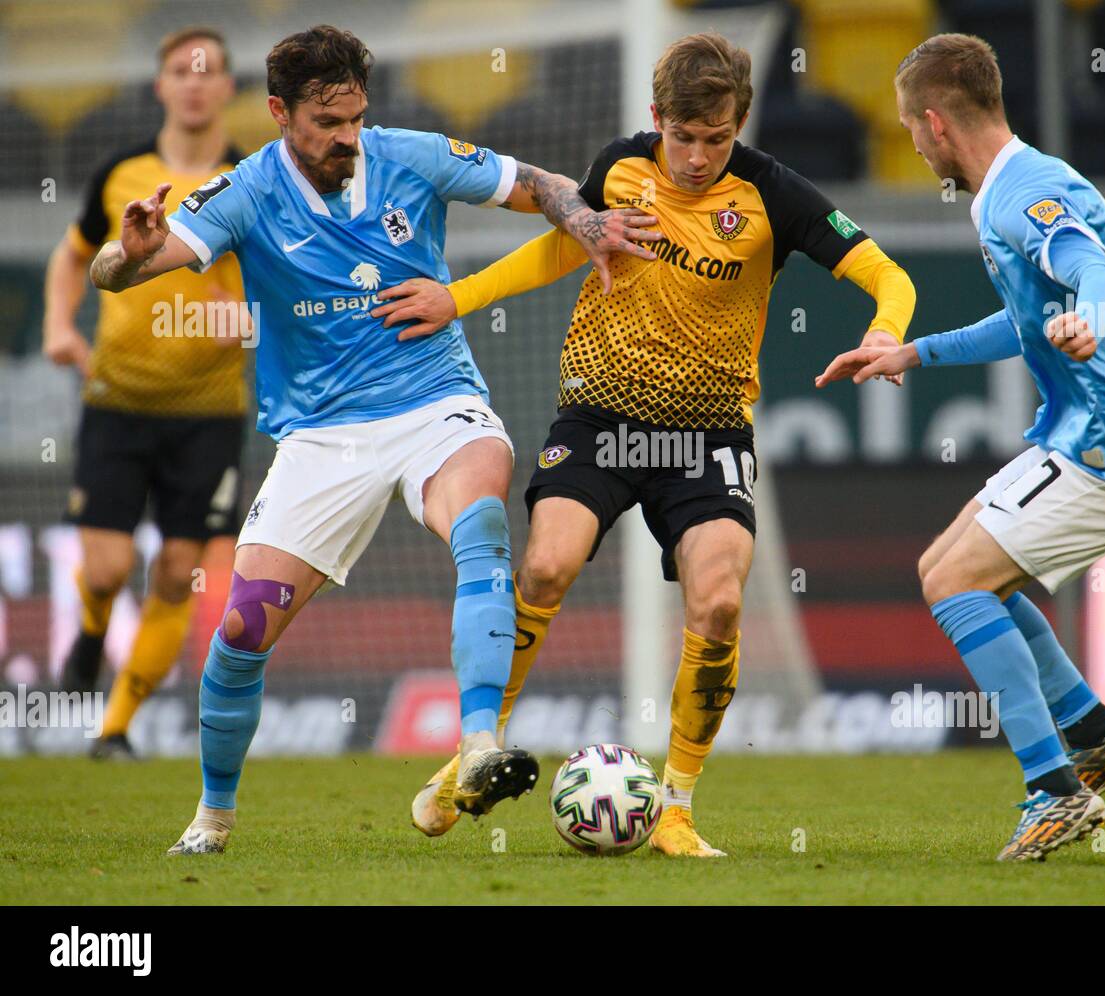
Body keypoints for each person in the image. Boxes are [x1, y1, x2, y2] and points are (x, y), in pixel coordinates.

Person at [88, 24, 660, 854]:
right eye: (328, 122)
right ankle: (212, 818)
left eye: (356, 116)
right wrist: (127, 254)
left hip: (435, 402)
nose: (347, 137)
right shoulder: (245, 190)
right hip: (322, 438)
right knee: (242, 633)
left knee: (484, 514)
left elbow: (537, 182)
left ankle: (476, 744)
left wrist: (582, 219)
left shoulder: (411, 154)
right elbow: (125, 267)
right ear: (281, 113)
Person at [375, 32, 916, 857]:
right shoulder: (621, 167)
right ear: (656, 117)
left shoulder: (774, 193)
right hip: (600, 419)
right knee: (547, 566)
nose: (697, 158)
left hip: (708, 434)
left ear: (738, 124)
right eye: (683, 137)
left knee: (722, 601)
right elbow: (566, 242)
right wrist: (460, 295)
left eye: (717, 139)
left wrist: (886, 331)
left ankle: (675, 808)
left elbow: (890, 275)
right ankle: (471, 756)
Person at [816, 33, 1105, 861]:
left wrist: (1089, 322)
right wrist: (913, 353)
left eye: (911, 131)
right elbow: (1026, 320)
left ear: (932, 121)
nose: (913, 147)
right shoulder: (1016, 185)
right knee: (946, 568)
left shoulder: (1023, 195)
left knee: (959, 580)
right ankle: (1091, 733)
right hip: (1096, 429)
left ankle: (1055, 793)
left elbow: (1091, 273)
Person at [44, 26, 245, 759]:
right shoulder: (120, 174)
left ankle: (116, 727)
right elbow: (71, 260)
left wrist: (249, 321)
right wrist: (61, 325)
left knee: (176, 575)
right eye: (180, 72)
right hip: (117, 401)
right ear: (161, 85)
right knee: (104, 568)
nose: (194, 83)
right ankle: (93, 629)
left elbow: (278, 293)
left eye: (209, 72)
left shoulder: (252, 180)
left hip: (210, 415)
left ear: (228, 88)